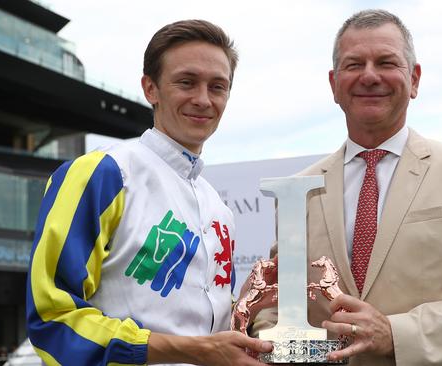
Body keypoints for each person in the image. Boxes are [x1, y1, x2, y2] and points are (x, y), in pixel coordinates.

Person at [251, 9, 442, 366]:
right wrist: (274, 344)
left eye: (386, 62)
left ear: (413, 79)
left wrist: (395, 334)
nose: (369, 76)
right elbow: (277, 307)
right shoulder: (300, 190)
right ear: (335, 84)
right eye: (354, 65)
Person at [26, 19, 271, 366]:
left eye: (218, 87)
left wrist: (248, 304)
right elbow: (53, 320)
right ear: (150, 88)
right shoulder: (101, 175)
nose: (203, 99)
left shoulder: (220, 210)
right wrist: (192, 349)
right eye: (186, 82)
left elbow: (207, 333)